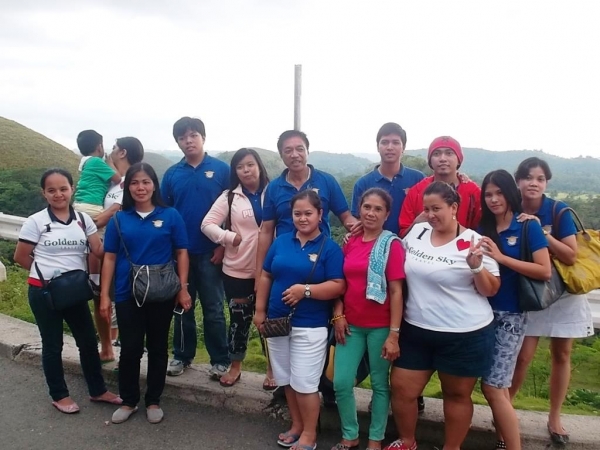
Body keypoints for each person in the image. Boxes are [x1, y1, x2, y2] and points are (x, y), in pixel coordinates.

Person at [386, 181, 500, 450]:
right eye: (426, 209)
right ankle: (408, 441)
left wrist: (476, 267)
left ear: (454, 208)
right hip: (417, 329)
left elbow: (491, 289)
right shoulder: (417, 231)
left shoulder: (474, 242)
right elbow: (395, 259)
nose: (430, 215)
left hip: (464, 334)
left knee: (456, 394)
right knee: (402, 389)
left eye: (436, 208)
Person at [13, 168, 121, 414]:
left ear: (72, 189)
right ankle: (59, 395)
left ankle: (98, 390)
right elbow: (20, 256)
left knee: (87, 341)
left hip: (74, 292)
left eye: (63, 188)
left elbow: (98, 251)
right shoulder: (36, 221)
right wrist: (46, 275)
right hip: (44, 292)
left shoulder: (83, 220)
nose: (58, 194)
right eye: (51, 190)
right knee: (53, 344)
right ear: (44, 193)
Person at [509, 157, 594, 446]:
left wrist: (541, 232)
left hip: (562, 291)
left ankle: (555, 417)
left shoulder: (557, 210)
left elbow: (570, 255)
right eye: (528, 177)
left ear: (546, 183)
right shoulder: (512, 208)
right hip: (531, 290)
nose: (534, 183)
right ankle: (506, 406)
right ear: (518, 181)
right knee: (523, 355)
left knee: (562, 354)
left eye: (540, 178)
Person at [100, 162, 191, 424]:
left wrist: (183, 288)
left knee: (158, 347)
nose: (140, 187)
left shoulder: (170, 215)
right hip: (127, 292)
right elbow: (109, 257)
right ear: (127, 187)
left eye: (146, 182)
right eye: (134, 182)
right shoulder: (119, 219)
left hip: (162, 292)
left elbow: (182, 252)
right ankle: (129, 400)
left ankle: (153, 400)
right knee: (130, 348)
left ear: (154, 185)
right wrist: (105, 295)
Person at [254, 190, 346, 450]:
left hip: (310, 325)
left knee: (305, 384)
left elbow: (338, 285)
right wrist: (260, 310)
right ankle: (296, 426)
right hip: (277, 322)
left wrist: (305, 291)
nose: (303, 218)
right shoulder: (281, 241)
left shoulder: (329, 248)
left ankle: (309, 434)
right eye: (297, 214)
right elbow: (266, 275)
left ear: (320, 214)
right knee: (286, 380)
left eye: (308, 213)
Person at [478, 170, 551, 450]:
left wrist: (501, 258)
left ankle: (511, 445)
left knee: (494, 386)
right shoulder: (483, 228)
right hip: (480, 315)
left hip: (511, 315)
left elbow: (544, 270)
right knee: (491, 386)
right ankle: (502, 439)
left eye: (499, 193)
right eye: (488, 194)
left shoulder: (527, 226)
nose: (494, 199)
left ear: (510, 193)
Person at [332, 188, 404, 450]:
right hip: (350, 324)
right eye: (367, 207)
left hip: (381, 326)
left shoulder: (392, 245)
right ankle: (350, 435)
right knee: (341, 382)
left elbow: (396, 291)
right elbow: (339, 282)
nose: (371, 213)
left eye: (378, 209)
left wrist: (394, 334)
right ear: (359, 210)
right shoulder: (351, 241)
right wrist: (338, 314)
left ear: (387, 214)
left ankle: (375, 440)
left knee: (379, 385)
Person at [161, 116, 230, 379]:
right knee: (182, 307)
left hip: (212, 252)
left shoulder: (221, 170)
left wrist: (223, 245)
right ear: (178, 142)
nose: (188, 141)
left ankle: (220, 360)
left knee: (214, 309)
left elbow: (234, 209)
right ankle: (182, 356)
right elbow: (165, 212)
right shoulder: (172, 174)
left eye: (193, 135)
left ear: (203, 137)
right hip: (181, 254)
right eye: (182, 137)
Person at [201, 148, 270, 387]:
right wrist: (229, 238)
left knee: (269, 321)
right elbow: (207, 224)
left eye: (250, 165)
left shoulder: (273, 191)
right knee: (239, 321)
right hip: (237, 270)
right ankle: (236, 366)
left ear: (259, 166)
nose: (246, 170)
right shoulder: (230, 196)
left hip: (270, 270)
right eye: (240, 167)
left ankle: (272, 369)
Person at [256, 130, 358, 278]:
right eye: (288, 150)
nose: (294, 155)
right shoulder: (274, 188)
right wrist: (259, 275)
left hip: (319, 259)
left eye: (300, 149)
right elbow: (266, 230)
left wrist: (364, 229)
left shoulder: (326, 181)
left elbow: (346, 217)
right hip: (285, 261)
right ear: (281, 155)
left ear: (307, 151)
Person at [73, 129, 123, 364]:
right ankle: (94, 276)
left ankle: (93, 276)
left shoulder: (85, 163)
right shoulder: (98, 162)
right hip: (92, 209)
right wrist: (111, 162)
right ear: (99, 146)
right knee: (98, 247)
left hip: (80, 207)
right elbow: (118, 179)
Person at [94, 137, 145, 347]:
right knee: (111, 294)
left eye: (115, 148)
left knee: (123, 295)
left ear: (123, 152)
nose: (111, 151)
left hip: (123, 248)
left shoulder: (131, 183)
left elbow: (111, 213)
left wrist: (84, 223)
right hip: (108, 246)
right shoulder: (117, 181)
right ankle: (114, 342)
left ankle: (128, 344)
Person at [399, 135, 481, 237]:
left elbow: (483, 231)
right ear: (430, 161)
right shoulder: (416, 192)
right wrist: (416, 224)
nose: (442, 159)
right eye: (436, 154)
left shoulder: (473, 192)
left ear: (458, 159)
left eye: (449, 153)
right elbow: (403, 235)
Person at [351, 123, 424, 235]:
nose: (390, 147)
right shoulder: (363, 184)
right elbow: (358, 220)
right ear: (378, 147)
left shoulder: (418, 179)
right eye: (384, 142)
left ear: (403, 148)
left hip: (413, 243)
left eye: (395, 142)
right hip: (375, 244)